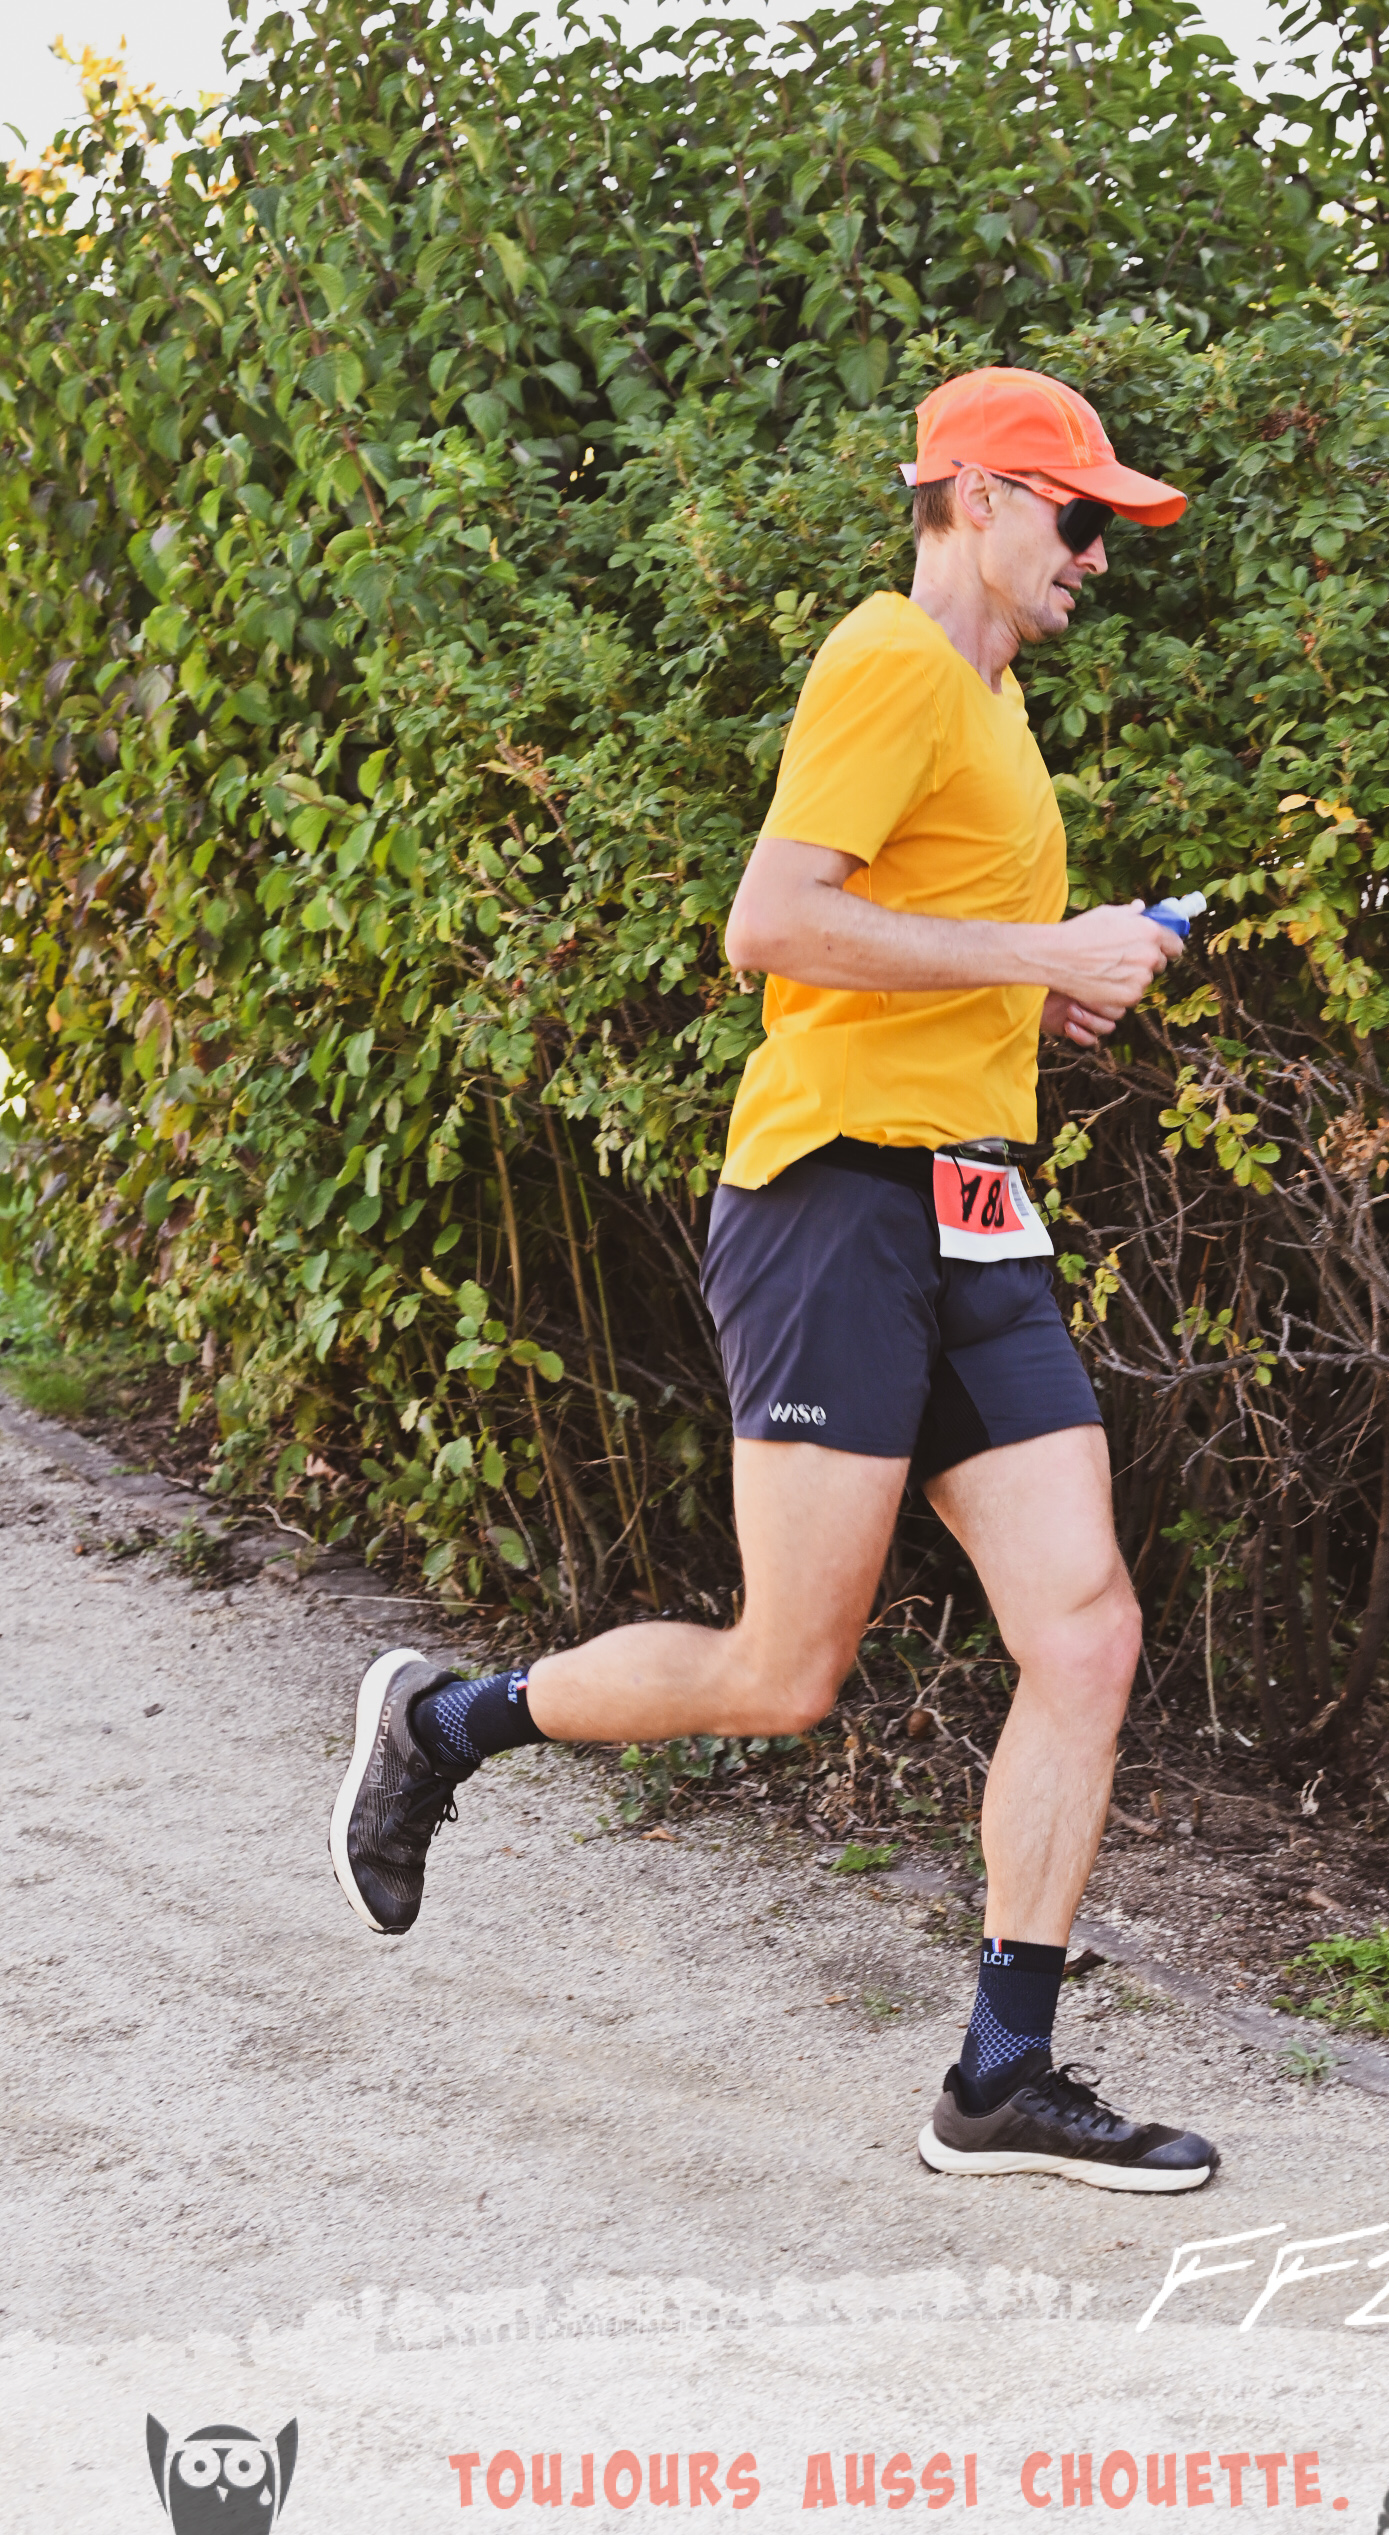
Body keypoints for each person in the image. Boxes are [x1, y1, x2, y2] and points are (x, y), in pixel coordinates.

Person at [331, 365, 1220, 2193]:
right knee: (784, 1669)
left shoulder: (995, 704)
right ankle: (443, 1720)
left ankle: (1002, 2077)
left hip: (975, 1202)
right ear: (980, 497)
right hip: (836, 1203)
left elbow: (914, 942)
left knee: (1087, 1632)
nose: (1099, 558)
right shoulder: (894, 658)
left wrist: (1047, 986)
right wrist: (1041, 947)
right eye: (1082, 519)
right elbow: (775, 921)